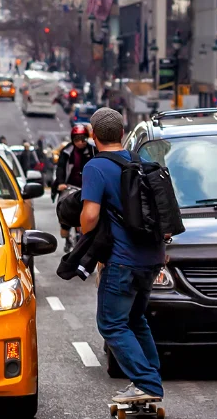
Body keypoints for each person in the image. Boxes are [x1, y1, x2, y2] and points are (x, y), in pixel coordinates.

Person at [78, 107, 169, 406]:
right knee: (135, 319)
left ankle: (146, 382)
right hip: (152, 257)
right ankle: (148, 377)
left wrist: (82, 226)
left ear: (94, 136)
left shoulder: (96, 167)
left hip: (122, 260)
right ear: (122, 133)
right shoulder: (141, 162)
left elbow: (90, 216)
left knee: (111, 324)